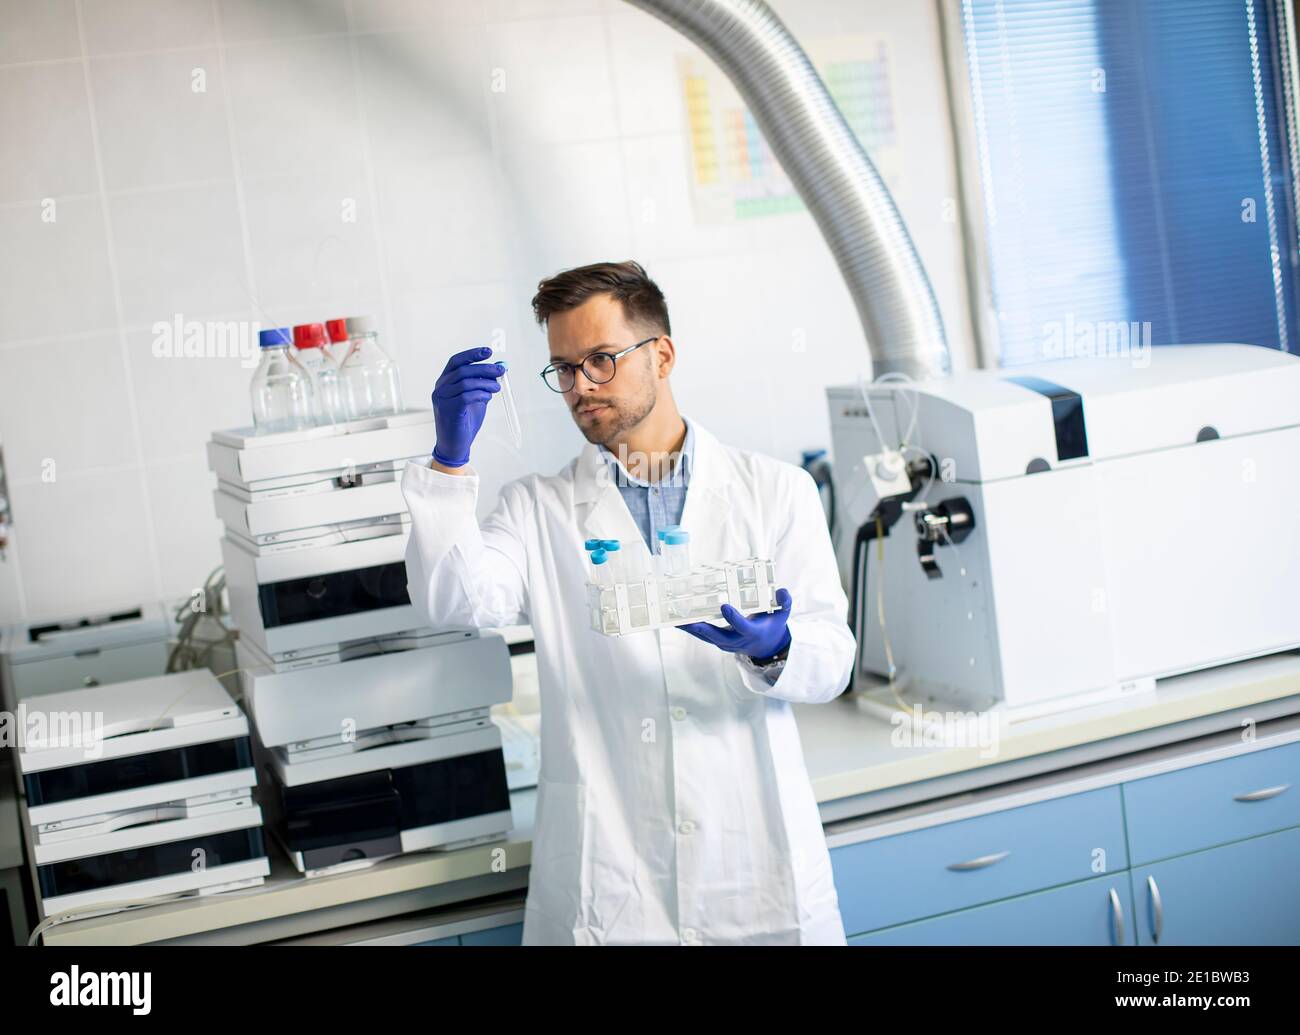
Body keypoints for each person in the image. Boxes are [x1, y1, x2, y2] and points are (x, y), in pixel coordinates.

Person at [401, 260, 854, 945]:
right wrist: (449, 462)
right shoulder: (537, 510)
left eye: (601, 360)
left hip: (754, 880)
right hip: (610, 893)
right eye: (564, 369)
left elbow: (834, 658)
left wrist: (777, 648)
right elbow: (454, 599)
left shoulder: (775, 491)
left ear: (662, 354)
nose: (580, 386)